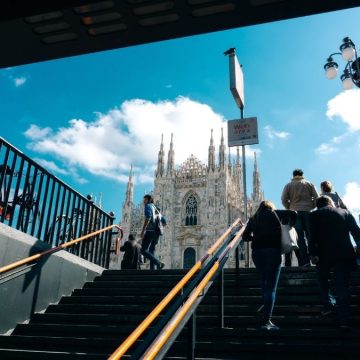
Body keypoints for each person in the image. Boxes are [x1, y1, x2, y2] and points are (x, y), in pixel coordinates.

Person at [243, 200, 297, 330]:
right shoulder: (275, 213)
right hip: (272, 251)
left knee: (264, 281)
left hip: (257, 253)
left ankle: (265, 305)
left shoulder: (253, 218)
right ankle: (267, 321)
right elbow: (293, 213)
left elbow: (245, 237)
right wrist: (290, 225)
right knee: (271, 288)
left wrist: (255, 238)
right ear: (270, 207)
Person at [309, 195, 360, 330]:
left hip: (323, 255)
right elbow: (356, 233)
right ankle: (344, 319)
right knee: (343, 286)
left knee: (322, 280)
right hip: (344, 254)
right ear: (331, 203)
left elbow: (311, 236)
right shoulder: (345, 212)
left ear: (318, 205)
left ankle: (329, 305)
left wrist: (312, 253)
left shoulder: (314, 216)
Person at [281, 169, 318, 266]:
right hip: (308, 212)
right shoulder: (309, 184)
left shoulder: (289, 185)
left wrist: (290, 207)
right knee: (311, 236)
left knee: (300, 238)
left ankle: (305, 261)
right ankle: (314, 256)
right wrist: (312, 206)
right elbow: (317, 197)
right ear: (302, 175)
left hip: (295, 213)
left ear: (293, 175)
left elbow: (283, 199)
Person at [140, 194, 165, 270]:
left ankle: (158, 263)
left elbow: (148, 217)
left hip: (150, 231)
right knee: (151, 250)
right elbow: (164, 222)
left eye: (145, 200)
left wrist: (143, 230)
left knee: (143, 250)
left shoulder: (148, 206)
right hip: (157, 233)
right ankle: (152, 269)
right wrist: (158, 229)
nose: (144, 201)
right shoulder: (157, 209)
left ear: (149, 200)